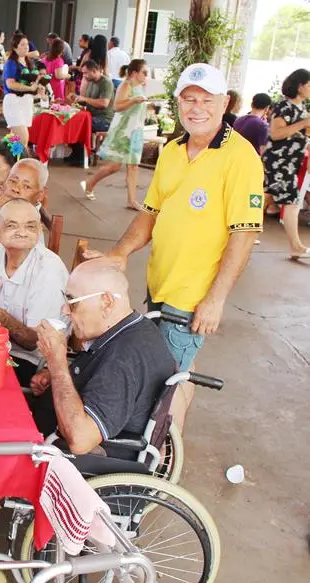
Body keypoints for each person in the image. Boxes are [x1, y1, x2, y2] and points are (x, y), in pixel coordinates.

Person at [89, 63, 264, 432]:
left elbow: (243, 234)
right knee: (179, 368)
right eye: (189, 100)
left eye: (206, 100)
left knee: (163, 380)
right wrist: (119, 253)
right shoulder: (172, 150)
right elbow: (150, 214)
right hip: (161, 284)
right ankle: (171, 440)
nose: (196, 108)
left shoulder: (241, 157)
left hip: (192, 294)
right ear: (178, 103)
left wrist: (215, 299)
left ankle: (161, 449)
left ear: (225, 102)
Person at [29, 259, 176, 451]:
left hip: (58, 453)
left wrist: (57, 364)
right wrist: (58, 377)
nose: (64, 309)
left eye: (72, 303)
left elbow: (80, 441)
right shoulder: (136, 327)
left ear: (106, 302)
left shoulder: (123, 360)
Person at [0, 199, 68, 386]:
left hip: (27, 359)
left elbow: (34, 342)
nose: (22, 232)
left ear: (39, 231)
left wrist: (1, 317)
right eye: (11, 225)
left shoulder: (48, 271)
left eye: (30, 227)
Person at [81, 59, 149, 209]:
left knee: (133, 166)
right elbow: (117, 107)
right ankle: (90, 183)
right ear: (134, 73)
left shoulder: (139, 87)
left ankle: (131, 200)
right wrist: (133, 101)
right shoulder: (126, 85)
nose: (146, 75)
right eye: (144, 72)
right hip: (123, 131)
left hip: (135, 131)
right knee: (114, 166)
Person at [261, 69, 310, 258]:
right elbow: (276, 133)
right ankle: (296, 246)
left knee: (274, 200)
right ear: (300, 86)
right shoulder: (284, 107)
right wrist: (303, 124)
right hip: (279, 163)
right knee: (289, 202)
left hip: (288, 164)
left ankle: (296, 246)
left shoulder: (300, 108)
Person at [2, 32, 40, 147]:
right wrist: (29, 87)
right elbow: (10, 84)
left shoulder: (29, 62)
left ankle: (9, 159)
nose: (26, 47)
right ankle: (19, 162)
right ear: (15, 47)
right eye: (22, 44)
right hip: (13, 101)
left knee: (14, 138)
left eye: (27, 44)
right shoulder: (11, 63)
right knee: (23, 138)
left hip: (26, 102)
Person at [70, 60, 114, 133]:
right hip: (91, 116)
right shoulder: (91, 81)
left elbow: (104, 104)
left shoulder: (106, 82)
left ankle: (81, 144)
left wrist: (84, 99)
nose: (83, 75)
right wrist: (76, 98)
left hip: (104, 119)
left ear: (94, 71)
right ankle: (75, 144)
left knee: (78, 125)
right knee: (72, 120)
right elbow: (87, 101)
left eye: (85, 73)